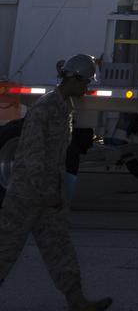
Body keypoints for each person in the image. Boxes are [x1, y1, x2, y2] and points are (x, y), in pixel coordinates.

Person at [0, 54, 112, 309]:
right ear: (74, 79)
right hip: (27, 194)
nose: (87, 88)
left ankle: (77, 300)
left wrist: (57, 191)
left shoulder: (65, 107)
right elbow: (33, 155)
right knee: (5, 248)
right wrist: (46, 191)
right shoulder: (45, 108)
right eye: (86, 82)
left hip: (50, 195)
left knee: (59, 248)